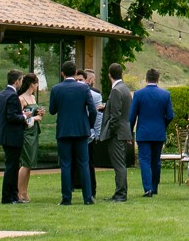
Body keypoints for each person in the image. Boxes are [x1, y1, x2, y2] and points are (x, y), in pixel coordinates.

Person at [50, 67, 99, 205]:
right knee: (84, 163)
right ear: (75, 73)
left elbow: (52, 110)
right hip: (81, 131)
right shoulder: (83, 89)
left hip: (64, 130)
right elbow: (93, 110)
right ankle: (87, 197)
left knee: (66, 164)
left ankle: (66, 198)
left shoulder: (56, 89)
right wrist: (89, 125)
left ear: (62, 73)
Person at [130, 68, 175, 198]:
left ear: (146, 79)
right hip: (158, 132)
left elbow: (132, 116)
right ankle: (154, 187)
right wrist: (163, 125)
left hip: (143, 133)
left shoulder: (138, 94)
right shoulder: (165, 94)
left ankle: (147, 188)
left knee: (144, 160)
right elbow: (170, 115)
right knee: (156, 161)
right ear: (158, 79)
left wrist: (130, 131)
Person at [100, 63, 133, 203]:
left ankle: (120, 194)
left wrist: (111, 131)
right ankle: (119, 192)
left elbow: (115, 115)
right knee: (121, 164)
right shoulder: (125, 89)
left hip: (117, 133)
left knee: (119, 164)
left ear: (109, 75)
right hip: (124, 130)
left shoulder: (116, 90)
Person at [0, 69, 27, 204]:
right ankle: (8, 196)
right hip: (12, 136)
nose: (21, 83)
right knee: (12, 167)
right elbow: (11, 116)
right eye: (21, 80)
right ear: (17, 81)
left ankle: (13, 195)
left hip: (5, 135)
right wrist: (24, 116)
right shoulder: (12, 96)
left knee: (12, 166)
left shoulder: (2, 94)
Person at [16, 73, 43, 203]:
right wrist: (34, 118)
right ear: (32, 84)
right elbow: (21, 118)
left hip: (34, 132)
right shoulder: (21, 99)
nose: (37, 86)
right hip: (26, 133)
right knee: (25, 162)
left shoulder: (32, 97)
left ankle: (25, 192)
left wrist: (39, 114)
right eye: (37, 83)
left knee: (30, 163)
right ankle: (19, 192)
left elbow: (33, 113)